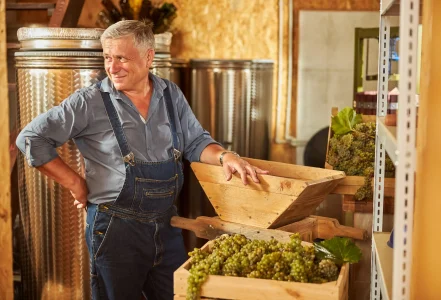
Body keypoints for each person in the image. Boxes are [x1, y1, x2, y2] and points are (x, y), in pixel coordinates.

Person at [16, 20, 268, 300]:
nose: (112, 67)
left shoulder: (170, 95)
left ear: (149, 57)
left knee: (181, 295)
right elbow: (31, 139)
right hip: (115, 232)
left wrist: (225, 156)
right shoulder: (88, 102)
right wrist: (75, 182)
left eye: (121, 58)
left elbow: (195, 142)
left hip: (166, 225)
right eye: (108, 58)